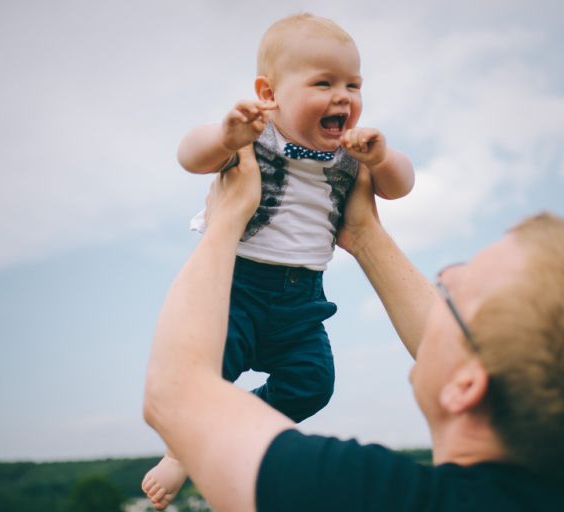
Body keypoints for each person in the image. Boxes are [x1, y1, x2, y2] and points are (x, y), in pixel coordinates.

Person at [142, 146, 564, 511]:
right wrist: (366, 236)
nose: (439, 278)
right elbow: (498, 364)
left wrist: (227, 220)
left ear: (467, 386)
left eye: (451, 292)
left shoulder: (369, 498)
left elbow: (177, 396)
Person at [141, 13, 414, 509]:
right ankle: (183, 451)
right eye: (324, 82)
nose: (343, 97)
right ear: (269, 93)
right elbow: (189, 155)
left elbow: (400, 187)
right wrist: (226, 135)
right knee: (208, 373)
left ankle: (235, 423)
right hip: (237, 287)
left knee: (313, 382)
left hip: (302, 300)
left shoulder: (349, 153)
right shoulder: (254, 137)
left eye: (353, 84)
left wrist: (381, 158)